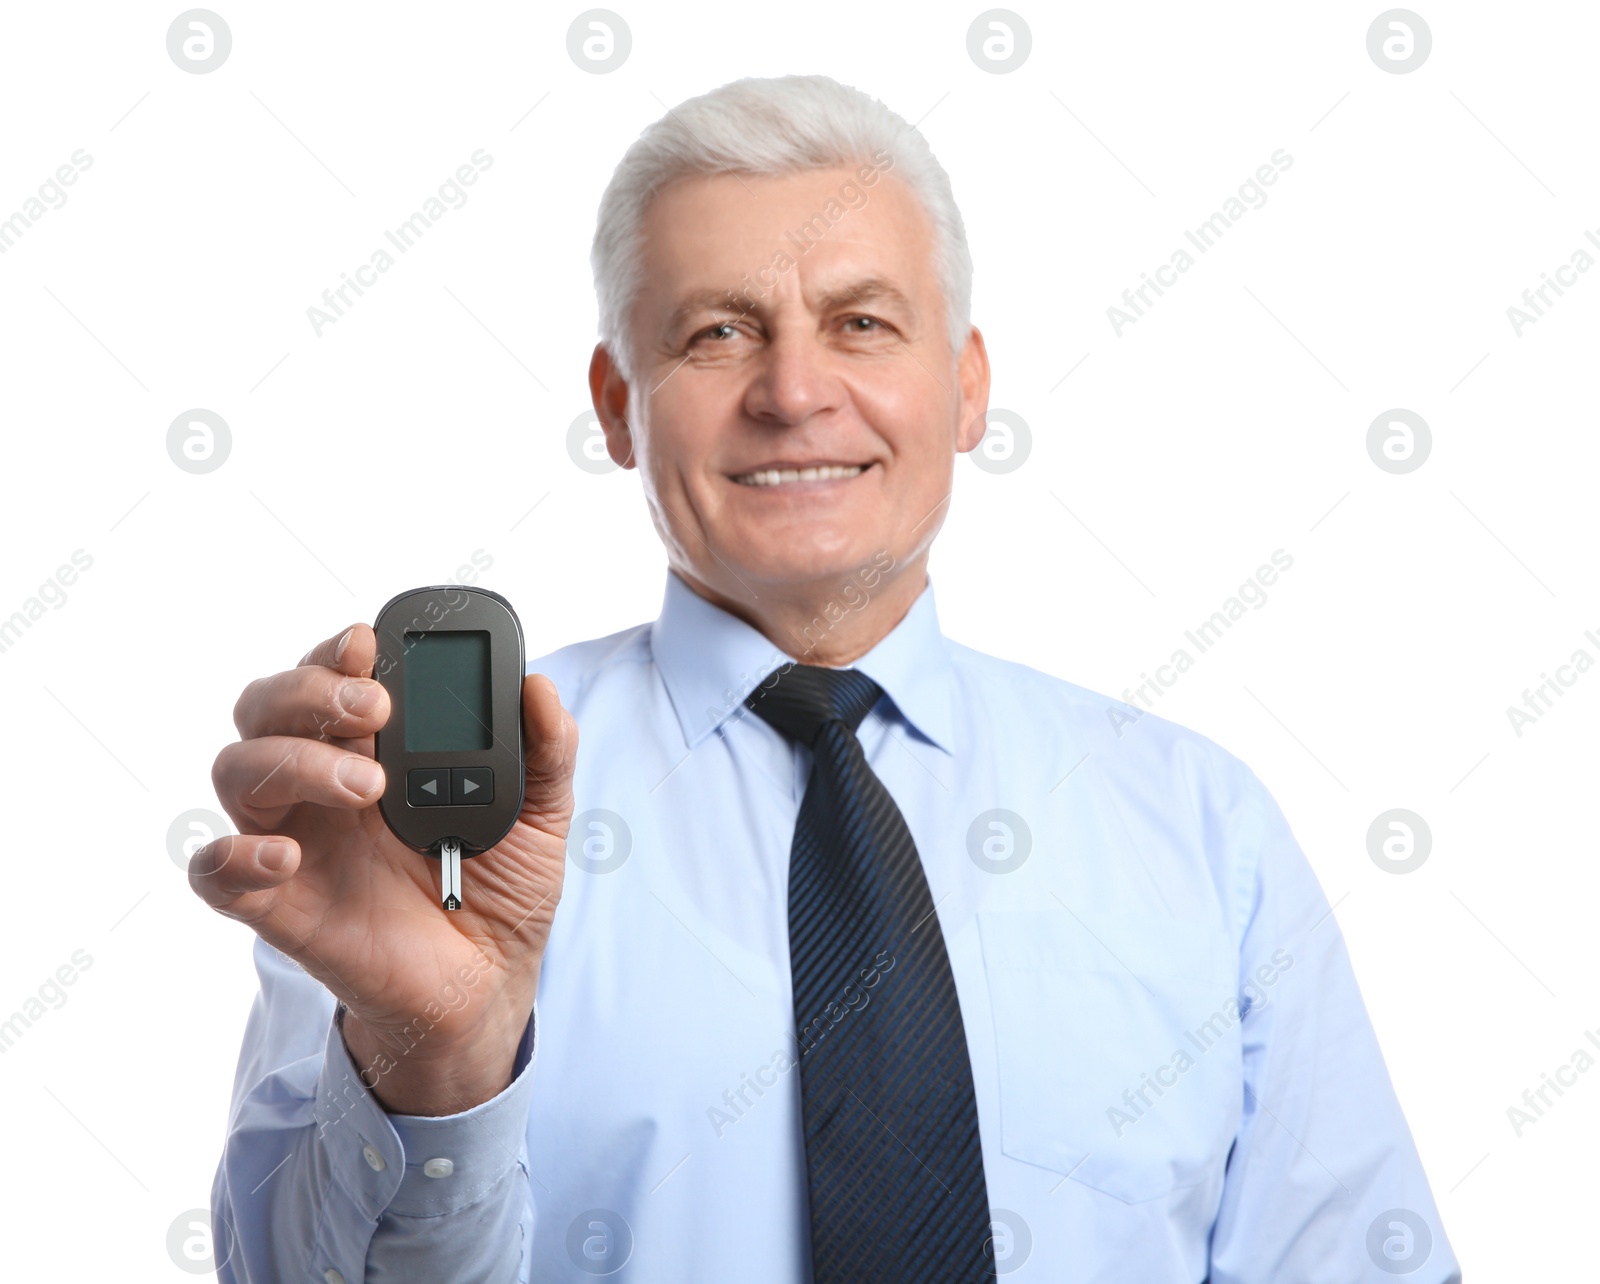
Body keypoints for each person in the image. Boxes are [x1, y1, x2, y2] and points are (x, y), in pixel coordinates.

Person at [195, 74, 1461, 1282]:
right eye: (717, 333)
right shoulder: (426, 835)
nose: (794, 392)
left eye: (861, 323)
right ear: (617, 402)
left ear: (966, 385)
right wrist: (437, 1062)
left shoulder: (1197, 824)